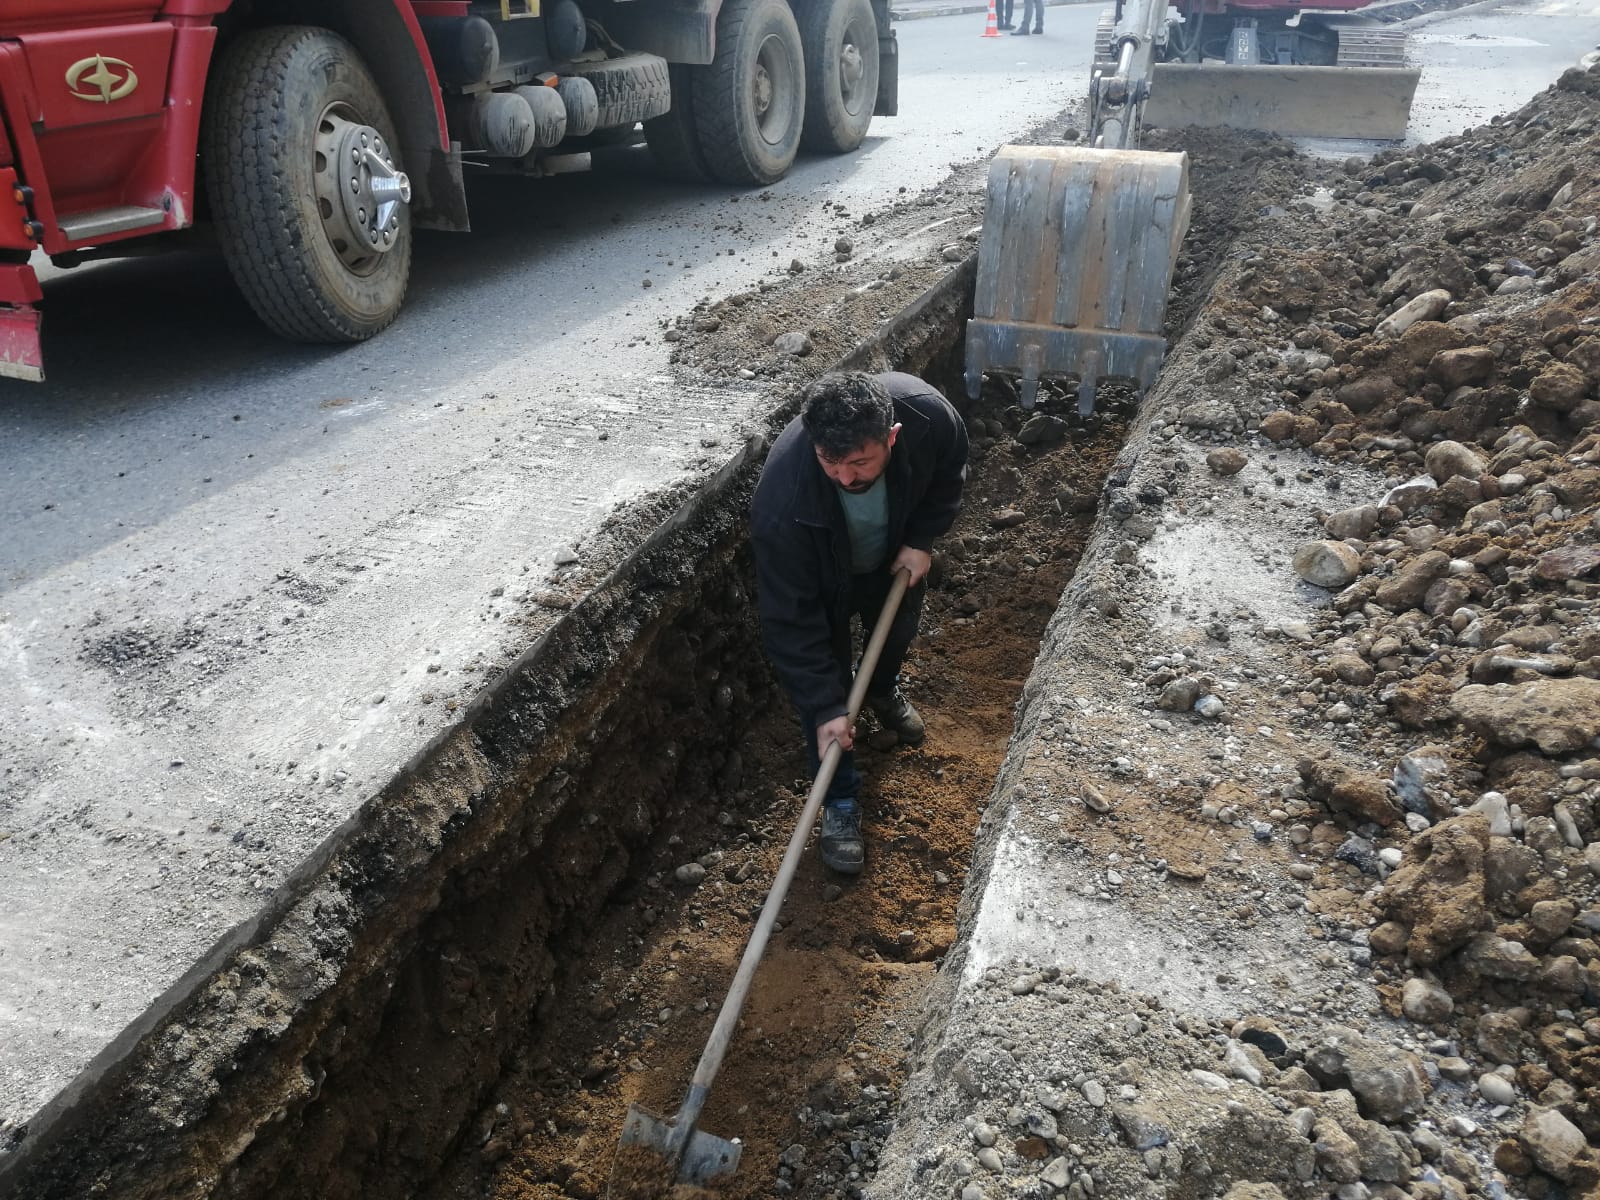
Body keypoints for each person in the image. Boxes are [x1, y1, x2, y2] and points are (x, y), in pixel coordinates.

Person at [751, 371, 969, 876]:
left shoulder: (926, 416)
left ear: (891, 438)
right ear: (814, 444)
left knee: (895, 632)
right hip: (821, 578)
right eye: (831, 462)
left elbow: (949, 469)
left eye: (859, 463)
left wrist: (921, 538)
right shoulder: (783, 504)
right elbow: (791, 620)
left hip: (891, 553)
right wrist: (826, 706)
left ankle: (882, 687)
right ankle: (840, 799)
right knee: (825, 702)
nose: (845, 478)